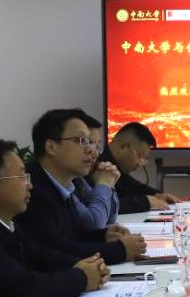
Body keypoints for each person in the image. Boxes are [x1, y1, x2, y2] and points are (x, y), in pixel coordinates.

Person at [0, 138, 110, 297]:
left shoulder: (9, 225)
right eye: (21, 176)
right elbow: (22, 287)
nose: (29, 185)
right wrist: (81, 277)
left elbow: (41, 255)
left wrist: (87, 266)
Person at [18, 109, 147, 265]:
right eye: (81, 140)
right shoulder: (32, 190)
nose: (91, 150)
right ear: (51, 147)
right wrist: (121, 250)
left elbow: (73, 236)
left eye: (91, 142)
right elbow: (57, 250)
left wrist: (105, 236)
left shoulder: (63, 185)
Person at [99, 122, 181, 213]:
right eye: (140, 156)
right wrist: (146, 201)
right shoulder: (99, 167)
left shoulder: (118, 168)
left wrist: (158, 195)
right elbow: (106, 205)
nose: (140, 164)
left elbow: (135, 187)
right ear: (123, 147)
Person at [70, 109, 121, 228]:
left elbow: (110, 217)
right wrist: (103, 184)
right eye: (86, 142)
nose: (94, 152)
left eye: (97, 146)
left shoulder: (78, 179)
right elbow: (94, 224)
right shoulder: (48, 183)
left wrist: (109, 185)